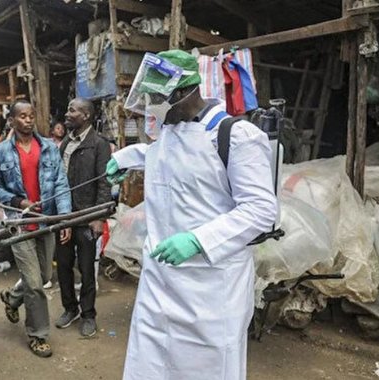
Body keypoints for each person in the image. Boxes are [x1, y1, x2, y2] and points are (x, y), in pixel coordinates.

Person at [106, 50, 278, 380]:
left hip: (211, 289)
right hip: (161, 281)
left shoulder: (236, 136)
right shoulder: (170, 132)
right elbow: (171, 158)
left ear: (186, 92)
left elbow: (260, 209)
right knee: (152, 363)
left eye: (159, 98)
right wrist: (127, 158)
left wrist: (198, 240)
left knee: (207, 368)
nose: (153, 107)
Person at [0, 99, 72, 358]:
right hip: (19, 224)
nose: (28, 119)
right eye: (22, 116)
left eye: (31, 115)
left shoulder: (48, 147)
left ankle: (13, 297)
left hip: (45, 222)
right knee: (35, 284)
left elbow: (60, 183)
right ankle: (38, 335)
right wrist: (19, 201)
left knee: (45, 275)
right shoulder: (1, 152)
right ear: (12, 121)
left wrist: (65, 218)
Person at [55, 98, 112, 337]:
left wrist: (99, 216)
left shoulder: (99, 144)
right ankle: (71, 308)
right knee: (63, 266)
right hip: (65, 216)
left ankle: (88, 314)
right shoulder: (65, 143)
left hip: (88, 216)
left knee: (87, 269)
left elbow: (105, 181)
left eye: (72, 110)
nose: (67, 114)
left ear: (86, 115)